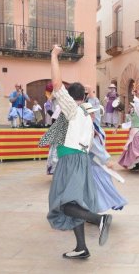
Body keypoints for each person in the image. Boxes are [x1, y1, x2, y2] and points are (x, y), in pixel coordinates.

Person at [45, 45, 112, 259]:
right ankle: (82, 247)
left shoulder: (72, 110)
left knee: (63, 204)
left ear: (69, 98)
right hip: (81, 159)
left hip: (70, 159)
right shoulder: (88, 112)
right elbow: (94, 137)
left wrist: (54, 56)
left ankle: (99, 219)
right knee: (74, 204)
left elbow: (56, 84)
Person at [84, 102, 128, 212]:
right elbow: (94, 146)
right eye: (90, 114)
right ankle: (94, 209)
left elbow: (99, 143)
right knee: (97, 186)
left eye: (93, 113)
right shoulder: (87, 128)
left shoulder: (94, 125)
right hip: (92, 161)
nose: (93, 116)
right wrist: (106, 159)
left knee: (103, 183)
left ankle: (109, 202)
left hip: (97, 161)